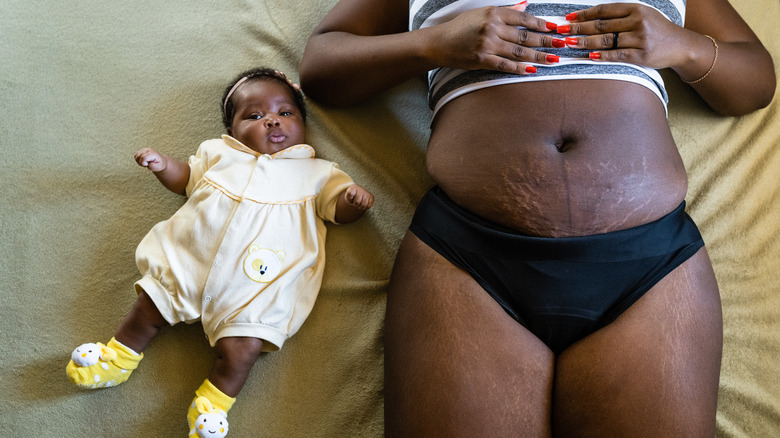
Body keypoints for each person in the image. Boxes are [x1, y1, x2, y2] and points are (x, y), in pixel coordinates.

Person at [299, 0, 774, 436]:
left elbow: (755, 82)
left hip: (649, 268)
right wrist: (433, 43)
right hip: (467, 262)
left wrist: (683, 46)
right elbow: (322, 64)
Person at [66, 67, 374, 437]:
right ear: (232, 131)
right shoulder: (220, 153)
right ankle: (117, 356)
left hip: (253, 292)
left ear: (303, 125)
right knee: (148, 308)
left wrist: (352, 203)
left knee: (243, 350)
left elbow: (336, 210)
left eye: (285, 113)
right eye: (255, 115)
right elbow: (187, 180)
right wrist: (165, 166)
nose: (272, 120)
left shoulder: (318, 173)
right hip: (187, 262)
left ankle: (212, 404)